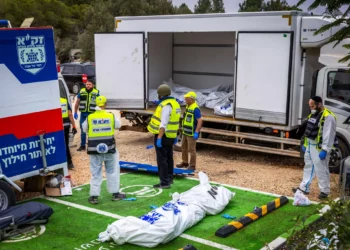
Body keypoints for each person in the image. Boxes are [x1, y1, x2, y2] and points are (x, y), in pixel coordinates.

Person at [82, 96, 125, 204]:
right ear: (105, 104)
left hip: (94, 149)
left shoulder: (90, 117)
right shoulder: (110, 116)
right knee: (112, 171)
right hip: (109, 148)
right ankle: (115, 194)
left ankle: (94, 197)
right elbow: (118, 125)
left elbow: (84, 129)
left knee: (96, 173)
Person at [292, 96, 337, 199]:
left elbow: (328, 135)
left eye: (312, 106)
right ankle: (304, 188)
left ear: (319, 104)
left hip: (319, 148)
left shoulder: (328, 117)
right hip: (310, 146)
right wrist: (305, 144)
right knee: (308, 166)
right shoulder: (313, 115)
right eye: (310, 106)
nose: (311, 108)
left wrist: (325, 150)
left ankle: (324, 191)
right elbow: (309, 131)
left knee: (321, 169)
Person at [147, 84, 181, 189]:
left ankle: (164, 182)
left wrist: (159, 138)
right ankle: (169, 179)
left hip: (164, 135)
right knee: (169, 157)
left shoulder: (166, 105)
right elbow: (175, 121)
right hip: (171, 135)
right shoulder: (175, 104)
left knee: (162, 159)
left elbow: (163, 123)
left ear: (161, 95)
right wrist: (175, 135)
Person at [176, 91, 203, 171]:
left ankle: (192, 165)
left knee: (192, 149)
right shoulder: (188, 106)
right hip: (185, 132)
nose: (185, 99)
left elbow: (199, 121)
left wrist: (196, 132)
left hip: (191, 133)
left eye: (186, 98)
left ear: (191, 99)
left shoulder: (195, 108)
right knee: (183, 147)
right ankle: (185, 162)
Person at [74, 80, 99, 151]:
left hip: (92, 115)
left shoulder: (96, 93)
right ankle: (82, 146)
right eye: (87, 84)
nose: (88, 86)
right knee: (83, 131)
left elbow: (99, 104)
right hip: (83, 115)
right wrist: (75, 112)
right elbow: (77, 102)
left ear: (93, 85)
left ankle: (92, 145)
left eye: (89, 84)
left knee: (92, 130)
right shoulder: (82, 91)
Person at [60, 97, 77, 170]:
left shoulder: (50, 100)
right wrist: (74, 126)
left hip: (56, 127)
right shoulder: (63, 100)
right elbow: (70, 114)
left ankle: (60, 164)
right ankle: (69, 163)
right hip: (65, 125)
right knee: (66, 145)